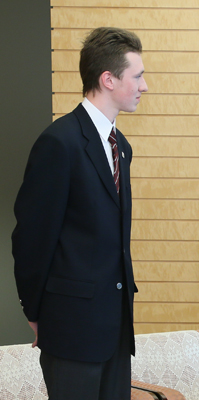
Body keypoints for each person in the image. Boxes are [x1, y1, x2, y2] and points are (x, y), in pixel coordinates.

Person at [12, 27, 148, 399]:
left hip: (116, 329)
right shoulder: (60, 142)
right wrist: (35, 311)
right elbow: (31, 238)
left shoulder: (121, 146)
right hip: (70, 328)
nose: (144, 85)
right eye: (137, 76)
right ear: (108, 79)